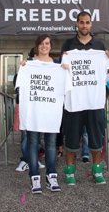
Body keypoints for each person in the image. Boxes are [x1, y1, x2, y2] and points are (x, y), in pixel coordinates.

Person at [61, 10, 109, 185]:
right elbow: (62, 69)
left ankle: (97, 170)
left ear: (91, 24)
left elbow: (106, 74)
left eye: (87, 22)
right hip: (73, 102)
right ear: (77, 24)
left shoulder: (100, 45)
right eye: (81, 22)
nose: (84, 25)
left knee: (96, 137)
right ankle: (70, 172)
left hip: (94, 102)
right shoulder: (68, 45)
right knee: (71, 137)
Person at [16, 34, 71, 194]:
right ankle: (34, 178)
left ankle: (51, 176)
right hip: (33, 113)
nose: (44, 46)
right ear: (36, 46)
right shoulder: (28, 65)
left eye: (47, 43)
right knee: (33, 144)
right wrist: (23, 67)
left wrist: (68, 71)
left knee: (51, 145)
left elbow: (69, 86)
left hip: (51, 113)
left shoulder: (58, 66)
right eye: (41, 43)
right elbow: (18, 85)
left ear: (50, 46)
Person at [14, 49, 45, 172]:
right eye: (36, 57)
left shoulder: (44, 72)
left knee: (37, 136)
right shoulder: (22, 71)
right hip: (26, 107)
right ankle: (25, 160)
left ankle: (33, 159)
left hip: (39, 107)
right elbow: (17, 89)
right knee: (26, 136)